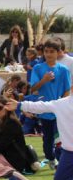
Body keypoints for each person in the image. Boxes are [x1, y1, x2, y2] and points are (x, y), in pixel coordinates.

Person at [7, 95, 73, 180]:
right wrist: (20, 105)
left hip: (68, 151)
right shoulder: (61, 103)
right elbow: (41, 106)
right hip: (69, 152)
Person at [30, 39, 71, 168]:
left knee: (60, 138)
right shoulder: (38, 68)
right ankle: (51, 158)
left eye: (52, 51)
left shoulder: (63, 69)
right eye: (46, 51)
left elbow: (67, 90)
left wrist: (61, 104)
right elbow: (32, 89)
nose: (48, 54)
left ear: (58, 52)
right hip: (44, 110)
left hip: (59, 111)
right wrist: (44, 80)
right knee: (47, 140)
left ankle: (62, 163)